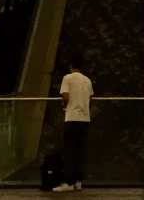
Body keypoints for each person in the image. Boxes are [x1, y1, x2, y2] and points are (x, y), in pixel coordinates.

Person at [53, 53, 93, 192]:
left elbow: (65, 95)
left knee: (69, 151)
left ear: (71, 66)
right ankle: (78, 181)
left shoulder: (67, 78)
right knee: (80, 151)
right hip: (85, 119)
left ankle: (68, 183)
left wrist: (64, 105)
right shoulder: (88, 80)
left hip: (71, 118)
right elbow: (90, 97)